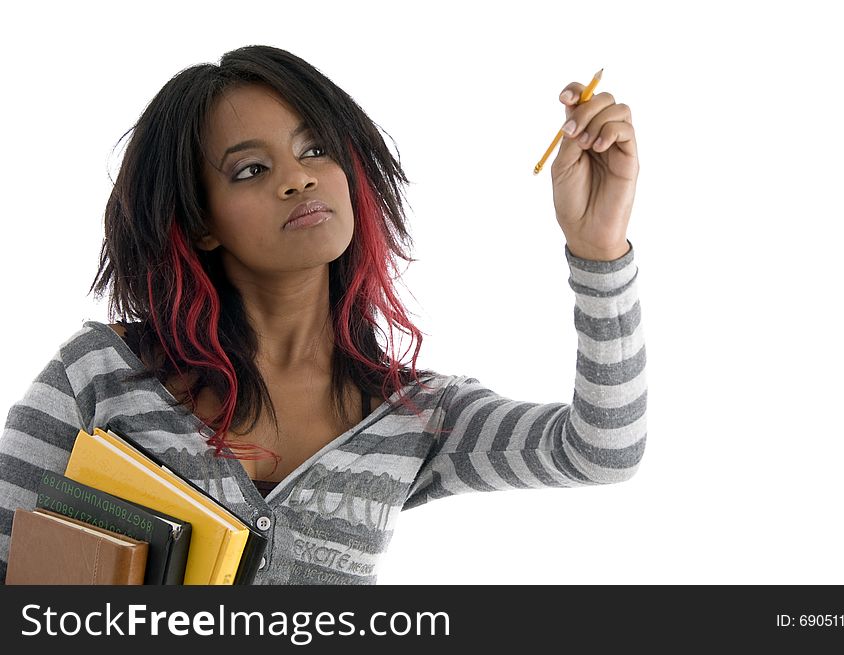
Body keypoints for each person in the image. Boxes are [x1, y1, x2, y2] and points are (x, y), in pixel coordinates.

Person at [0, 45, 646, 584]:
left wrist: (598, 252)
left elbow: (602, 450)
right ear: (200, 222)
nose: (297, 178)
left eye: (315, 150)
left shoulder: (415, 414)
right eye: (250, 169)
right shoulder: (100, 375)